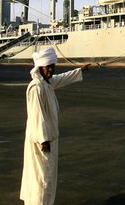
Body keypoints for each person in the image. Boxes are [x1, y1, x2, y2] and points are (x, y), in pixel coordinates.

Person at [20, 47, 91, 205]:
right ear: (40, 68)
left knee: (47, 174)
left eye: (53, 66)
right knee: (42, 176)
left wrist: (80, 70)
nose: (51, 70)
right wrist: (43, 139)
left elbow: (63, 78)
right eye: (48, 67)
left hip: (50, 137)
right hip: (42, 140)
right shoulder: (36, 87)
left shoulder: (47, 83)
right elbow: (37, 115)